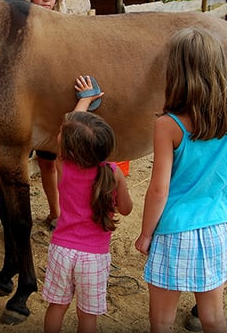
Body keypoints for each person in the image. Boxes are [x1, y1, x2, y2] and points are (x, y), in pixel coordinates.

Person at [134, 27, 227, 333]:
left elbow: (159, 188)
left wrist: (145, 234)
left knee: (162, 322)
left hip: (174, 233)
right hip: (215, 230)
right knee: (213, 318)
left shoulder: (168, 125)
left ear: (176, 72)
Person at [42, 76, 134, 333]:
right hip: (94, 258)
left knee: (56, 307)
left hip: (61, 251)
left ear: (68, 147)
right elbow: (126, 209)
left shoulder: (63, 165)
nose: (60, 133)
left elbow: (68, 124)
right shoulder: (112, 172)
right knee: (87, 317)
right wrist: (120, 187)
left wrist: (83, 100)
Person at [19, 0, 66, 229]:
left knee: (66, 165)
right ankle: (55, 212)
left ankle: (72, 215)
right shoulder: (22, 26)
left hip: (62, 105)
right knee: (46, 164)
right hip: (37, 108)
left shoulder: (67, 26)